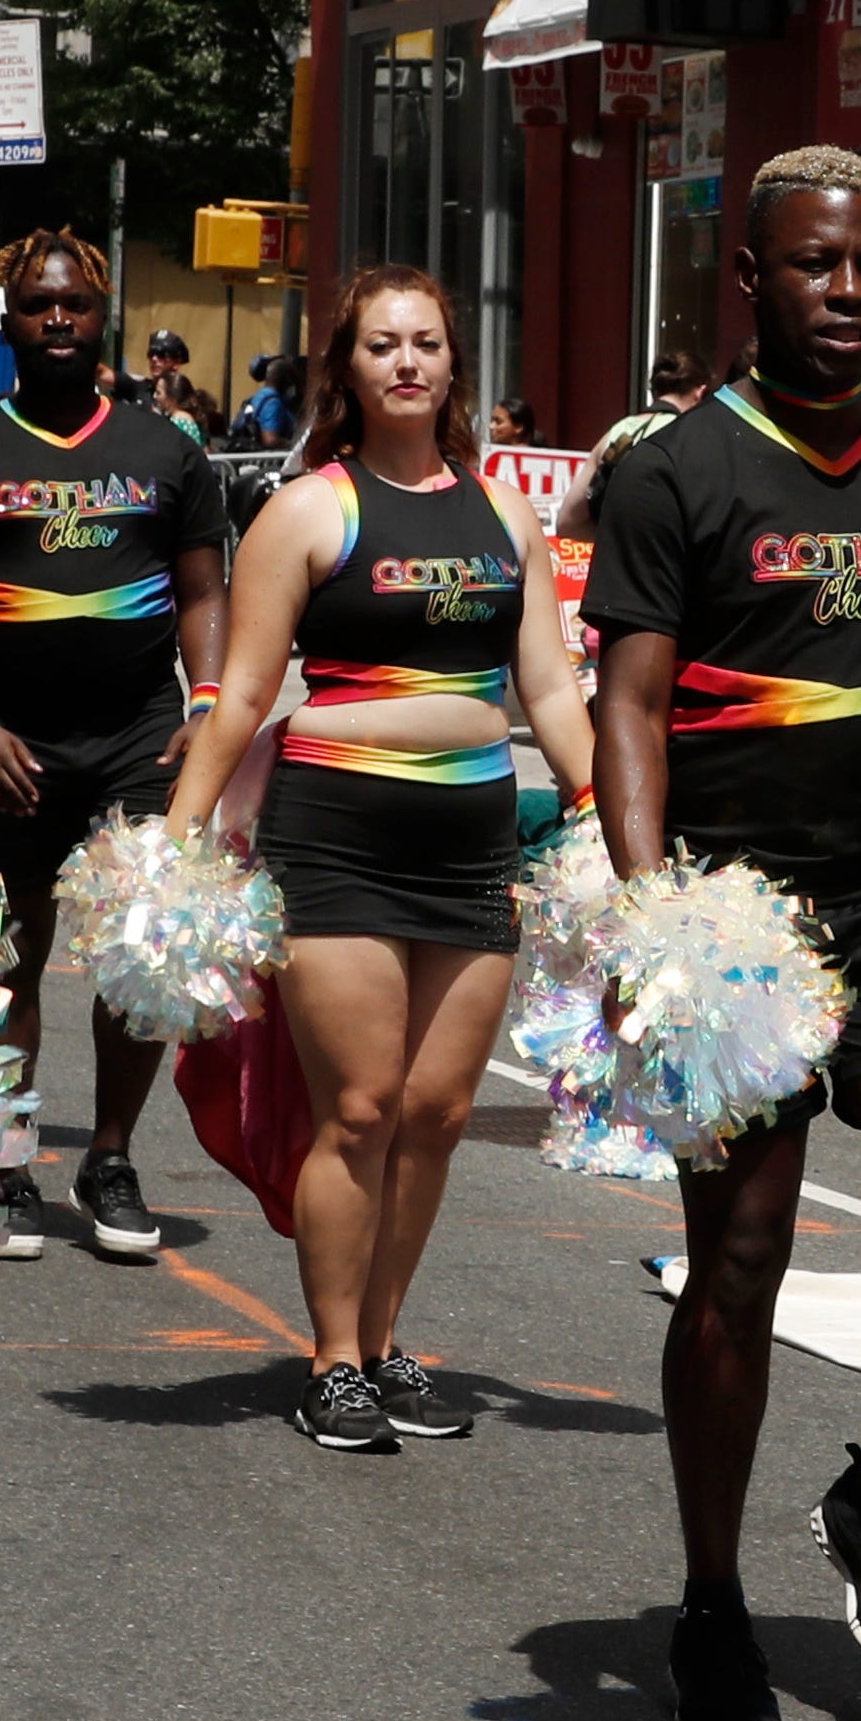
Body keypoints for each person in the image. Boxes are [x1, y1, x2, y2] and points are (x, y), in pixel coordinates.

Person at [580, 143, 861, 1721]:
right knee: (742, 1260)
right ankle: (710, 1600)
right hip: (738, 910)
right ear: (752, 279)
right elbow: (630, 708)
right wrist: (655, 918)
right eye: (816, 265)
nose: (847, 293)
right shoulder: (675, 469)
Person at [166, 264, 593, 1445]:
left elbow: (547, 683)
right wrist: (176, 837)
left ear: (456, 365)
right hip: (337, 837)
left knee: (438, 1110)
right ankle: (334, 1358)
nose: (407, 362)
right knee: (355, 1105)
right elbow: (246, 690)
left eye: (427, 344)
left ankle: (391, 1339)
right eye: (381, 346)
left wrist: (603, 801)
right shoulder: (308, 509)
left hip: (470, 839)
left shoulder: (506, 514)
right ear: (345, 370)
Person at [0, 229, 230, 1261]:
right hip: (12, 747)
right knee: (13, 955)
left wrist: (208, 701)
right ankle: (5, 1167)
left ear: (102, 312)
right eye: (40, 307)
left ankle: (111, 1159)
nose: (59, 321)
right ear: (9, 323)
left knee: (140, 953)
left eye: (76, 304)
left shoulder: (166, 450)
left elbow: (209, 592)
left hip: (140, 739)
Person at [556, 348, 706, 546]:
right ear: (700, 393)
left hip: (616, 568)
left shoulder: (619, 431)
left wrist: (620, 542)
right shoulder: (696, 437)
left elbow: (567, 523)